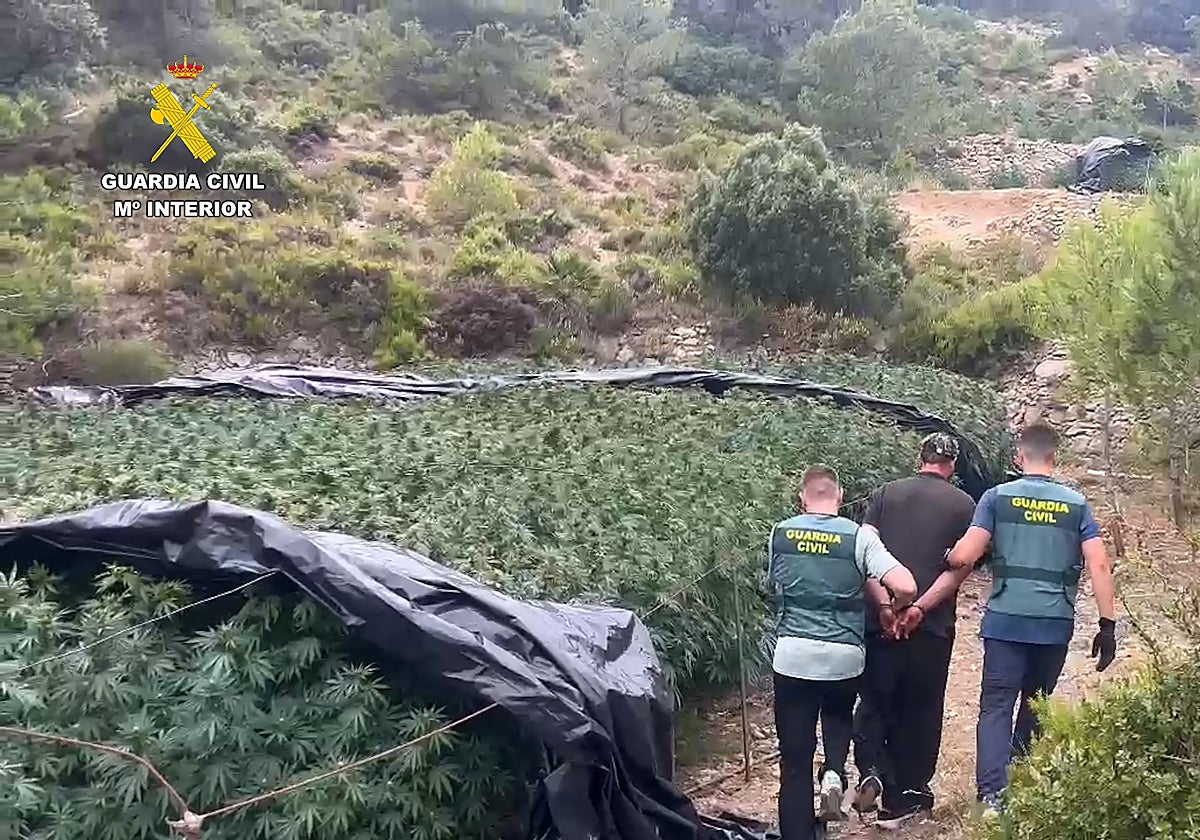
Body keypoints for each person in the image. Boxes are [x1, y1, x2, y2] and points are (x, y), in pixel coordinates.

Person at [945, 423, 1117, 819]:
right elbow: (1100, 565)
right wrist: (1107, 625)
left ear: (1018, 458)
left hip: (1005, 620)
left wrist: (950, 557)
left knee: (996, 706)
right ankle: (1017, 783)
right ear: (1054, 458)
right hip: (1053, 624)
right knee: (1036, 704)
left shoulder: (997, 497)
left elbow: (966, 554)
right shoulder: (1076, 504)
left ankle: (991, 796)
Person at [765, 464, 918, 840]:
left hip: (793, 653)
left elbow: (771, 586)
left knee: (795, 758)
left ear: (802, 497)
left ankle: (798, 832)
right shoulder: (858, 537)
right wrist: (894, 608)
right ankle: (834, 771)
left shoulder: (780, 533)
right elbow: (907, 585)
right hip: (843, 655)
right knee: (836, 715)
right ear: (840, 495)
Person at [850, 433, 977, 829]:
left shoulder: (886, 494)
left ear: (919, 458)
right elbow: (959, 569)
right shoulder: (965, 505)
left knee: (874, 700)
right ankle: (906, 793)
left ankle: (871, 771)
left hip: (880, 622)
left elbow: (863, 557)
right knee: (921, 709)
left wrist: (887, 607)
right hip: (931, 626)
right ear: (951, 465)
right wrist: (919, 608)